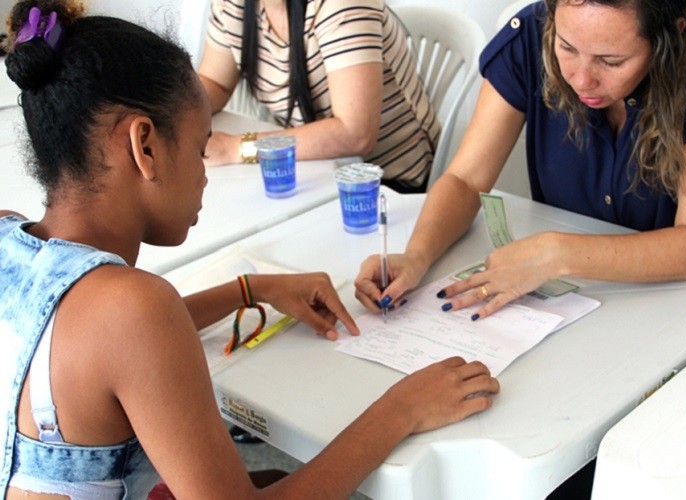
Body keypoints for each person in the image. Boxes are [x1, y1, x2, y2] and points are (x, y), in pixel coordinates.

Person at [0, 1, 500, 498]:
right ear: (144, 147)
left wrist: (252, 289)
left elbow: (113, 345)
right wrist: (402, 408)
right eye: (199, 150)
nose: (204, 176)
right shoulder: (133, 309)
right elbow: (135, 331)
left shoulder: (11, 236)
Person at [355, 0, 686, 320]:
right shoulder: (530, 35)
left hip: (684, 300)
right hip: (566, 296)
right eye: (566, 47)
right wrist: (416, 255)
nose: (580, 79)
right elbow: (465, 178)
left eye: (611, 62)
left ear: (671, 37)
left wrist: (555, 254)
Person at [198, 0, 440, 193]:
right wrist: (171, 115)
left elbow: (355, 133)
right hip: (316, 169)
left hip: (386, 186)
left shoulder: (342, 4)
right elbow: (216, 83)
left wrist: (237, 148)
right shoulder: (231, 5)